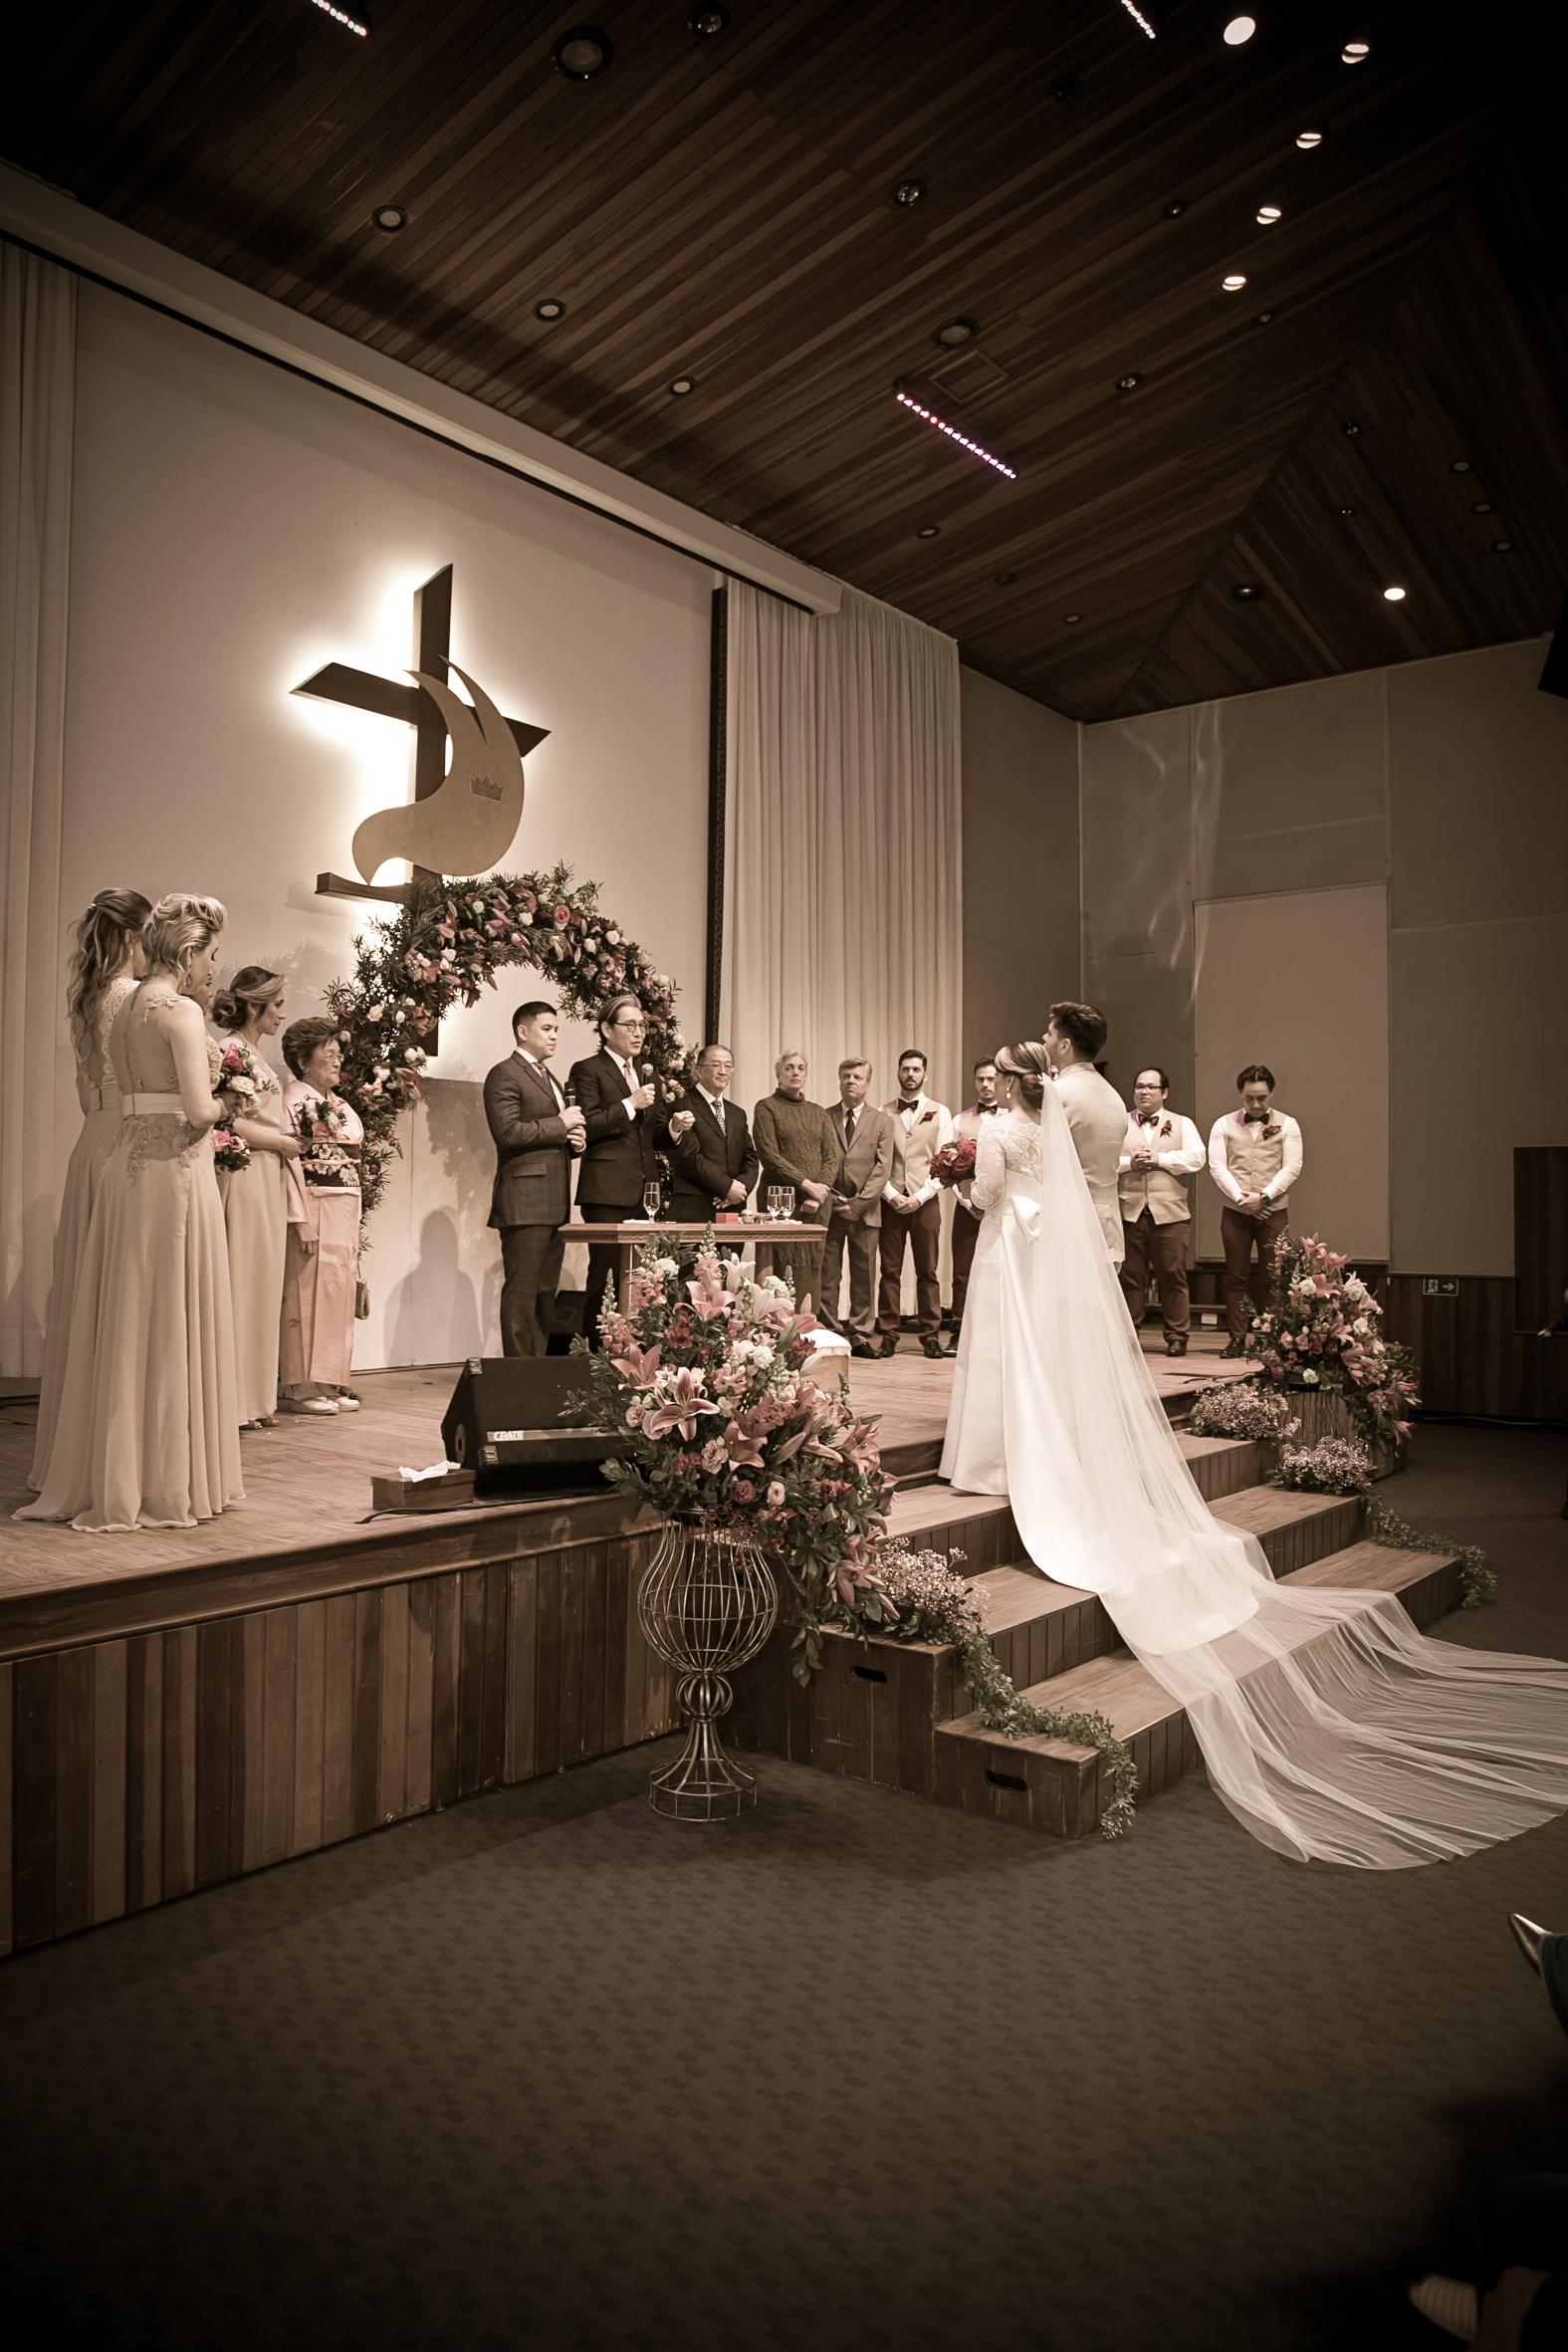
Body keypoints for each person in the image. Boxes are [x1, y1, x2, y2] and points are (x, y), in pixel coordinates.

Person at [940, 1035, 1568, 1870]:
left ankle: (987, 1457)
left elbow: (986, 1194)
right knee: (1029, 1356)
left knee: (998, 1351)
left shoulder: (998, 1127)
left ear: (1009, 1082)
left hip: (1008, 1241)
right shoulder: (1057, 1114)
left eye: (999, 1071)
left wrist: (962, 1180)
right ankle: (1024, 1446)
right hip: (1046, 1239)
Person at [18, 893, 244, 1531]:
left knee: (125, 1319)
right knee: (167, 1319)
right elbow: (197, 1112)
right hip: (173, 1171)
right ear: (190, 951)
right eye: (211, 955)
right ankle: (164, 1477)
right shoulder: (179, 1012)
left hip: (122, 1163)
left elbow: (112, 1096)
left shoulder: (120, 1010)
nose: (213, 968)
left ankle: (117, 1468)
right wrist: (231, 1102)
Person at [28, 886, 151, 1491]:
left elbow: (86, 1092)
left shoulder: (88, 997)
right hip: (124, 1142)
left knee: (89, 1298)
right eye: (148, 934)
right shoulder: (133, 998)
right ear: (130, 937)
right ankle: (117, 1452)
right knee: (122, 1295)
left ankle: (77, 1449)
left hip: (90, 1142)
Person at [211, 969, 301, 1427]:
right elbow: (227, 1119)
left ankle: (255, 1399)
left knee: (262, 1282)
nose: (282, 1013)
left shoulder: (255, 1054)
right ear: (253, 1006)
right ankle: (233, 1403)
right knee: (243, 1279)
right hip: (245, 1172)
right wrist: (279, 1141)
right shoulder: (231, 1050)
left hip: (266, 1172)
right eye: (277, 1004)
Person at [485, 1001, 584, 1357]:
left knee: (545, 1294)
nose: (554, 1036)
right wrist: (561, 1124)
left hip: (554, 1202)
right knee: (522, 1292)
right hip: (525, 1201)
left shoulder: (550, 1078)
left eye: (557, 1029)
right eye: (547, 1029)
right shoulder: (504, 1073)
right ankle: (517, 1372)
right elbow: (507, 1132)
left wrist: (574, 1142)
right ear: (522, 1031)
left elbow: (552, 1134)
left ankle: (537, 1370)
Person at [279, 1017, 366, 1414]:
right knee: (306, 1292)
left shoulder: (340, 1104)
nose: (337, 1059)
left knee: (335, 1290)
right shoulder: (292, 1100)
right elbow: (289, 1163)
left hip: (343, 1205)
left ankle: (329, 1380)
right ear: (303, 1062)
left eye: (338, 1053)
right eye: (328, 1054)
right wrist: (298, 1218)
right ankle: (299, 1385)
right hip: (314, 1201)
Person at [567, 993, 661, 1345]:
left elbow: (652, 1132)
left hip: (645, 1190)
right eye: (630, 1025)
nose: (638, 1033)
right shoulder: (588, 1069)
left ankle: (635, 1354)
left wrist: (675, 1128)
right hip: (606, 1190)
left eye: (642, 1026)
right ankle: (594, 1355)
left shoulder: (646, 1072)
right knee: (605, 1277)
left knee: (644, 1280)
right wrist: (629, 1104)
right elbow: (587, 1124)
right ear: (607, 1029)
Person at [1208, 1062, 1303, 1356]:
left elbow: (1292, 1166)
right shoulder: (1223, 1124)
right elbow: (1217, 1167)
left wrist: (1263, 1197)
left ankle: (1269, 1338)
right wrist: (1242, 1200)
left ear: (1271, 1093)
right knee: (1236, 1275)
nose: (1256, 1104)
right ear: (1241, 1094)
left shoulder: (1288, 1124)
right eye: (1249, 1098)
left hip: (1273, 1212)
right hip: (1235, 1212)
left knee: (1272, 1277)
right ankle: (1237, 1339)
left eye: (1262, 1097)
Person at [1118, 1067, 1206, 1358]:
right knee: (1130, 1278)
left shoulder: (1182, 1123)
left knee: (1173, 1276)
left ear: (1164, 1092)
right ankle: (1130, 1337)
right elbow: (1101, 1160)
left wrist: (1161, 1159)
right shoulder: (1119, 1123)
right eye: (1139, 1086)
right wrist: (1130, 1163)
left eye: (1151, 1087)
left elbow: (1197, 1158)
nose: (1144, 1092)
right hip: (1128, 1211)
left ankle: (1177, 1336)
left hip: (1170, 1214)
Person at [875, 1050, 954, 1360]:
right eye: (906, 1069)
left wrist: (919, 1196)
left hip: (926, 1202)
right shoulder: (882, 1112)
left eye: (916, 1069)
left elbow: (945, 1161)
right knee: (889, 1271)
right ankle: (888, 1335)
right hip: (890, 1202)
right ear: (898, 1072)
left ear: (925, 1075)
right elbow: (877, 1162)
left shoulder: (941, 1113)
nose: (910, 1074)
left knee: (928, 1271)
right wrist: (891, 1195)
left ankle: (930, 1336)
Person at [751, 1050, 838, 1311]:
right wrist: (807, 1185)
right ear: (778, 1074)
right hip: (780, 1202)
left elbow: (831, 1157)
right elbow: (769, 1156)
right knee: (781, 1267)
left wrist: (818, 1194)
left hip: (817, 1204)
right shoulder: (766, 1107)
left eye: (800, 1068)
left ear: (806, 1074)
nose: (795, 1073)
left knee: (812, 1266)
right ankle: (779, 1327)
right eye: (789, 1068)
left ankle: (809, 1326)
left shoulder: (818, 1112)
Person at [820, 1059, 895, 1356]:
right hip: (831, 1209)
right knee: (828, 1276)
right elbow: (818, 1161)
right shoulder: (823, 1117)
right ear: (839, 1081)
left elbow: (883, 1168)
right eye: (846, 1076)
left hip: (866, 1212)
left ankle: (861, 1334)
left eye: (857, 1077)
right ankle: (829, 1332)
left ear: (868, 1084)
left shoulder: (883, 1122)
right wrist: (836, 1200)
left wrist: (859, 1204)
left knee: (864, 1278)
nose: (851, 1081)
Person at [1043, 1001, 1126, 1264]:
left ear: (1064, 1045)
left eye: (1050, 1033)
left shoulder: (1057, 1093)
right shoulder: (1114, 1096)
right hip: (1107, 1218)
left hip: (1068, 1222)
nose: (1044, 1039)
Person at [662, 1044, 760, 1221]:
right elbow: (690, 1158)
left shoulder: (737, 1113)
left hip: (732, 1209)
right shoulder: (680, 1107)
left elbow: (751, 1158)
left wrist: (740, 1188)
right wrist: (726, 1188)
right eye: (715, 1065)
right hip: (694, 1211)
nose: (723, 1071)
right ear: (699, 1071)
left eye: (728, 1066)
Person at [947, 1057, 1003, 1356]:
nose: (985, 1084)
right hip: (967, 1207)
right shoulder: (959, 1121)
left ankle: (997, 1333)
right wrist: (970, 1202)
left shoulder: (1013, 1118)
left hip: (1001, 1207)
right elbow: (950, 1167)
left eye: (991, 1078)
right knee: (963, 1272)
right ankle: (958, 1332)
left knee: (1000, 1269)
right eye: (980, 1079)